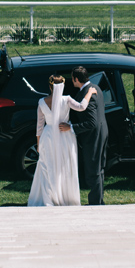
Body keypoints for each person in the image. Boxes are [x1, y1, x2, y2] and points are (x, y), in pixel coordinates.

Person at [28, 74, 93, 207]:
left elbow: (39, 126)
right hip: (64, 135)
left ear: (50, 86)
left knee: (48, 166)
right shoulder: (67, 99)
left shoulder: (41, 102)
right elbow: (81, 107)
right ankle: (65, 195)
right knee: (64, 166)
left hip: (48, 137)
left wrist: (39, 144)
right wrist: (90, 93)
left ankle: (49, 197)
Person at [67, 65, 109, 205]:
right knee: (98, 169)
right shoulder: (95, 88)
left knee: (93, 170)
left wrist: (72, 127)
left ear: (76, 79)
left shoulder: (88, 93)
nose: (71, 81)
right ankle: (99, 201)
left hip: (93, 136)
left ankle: (95, 203)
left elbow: (92, 122)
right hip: (102, 133)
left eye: (72, 79)